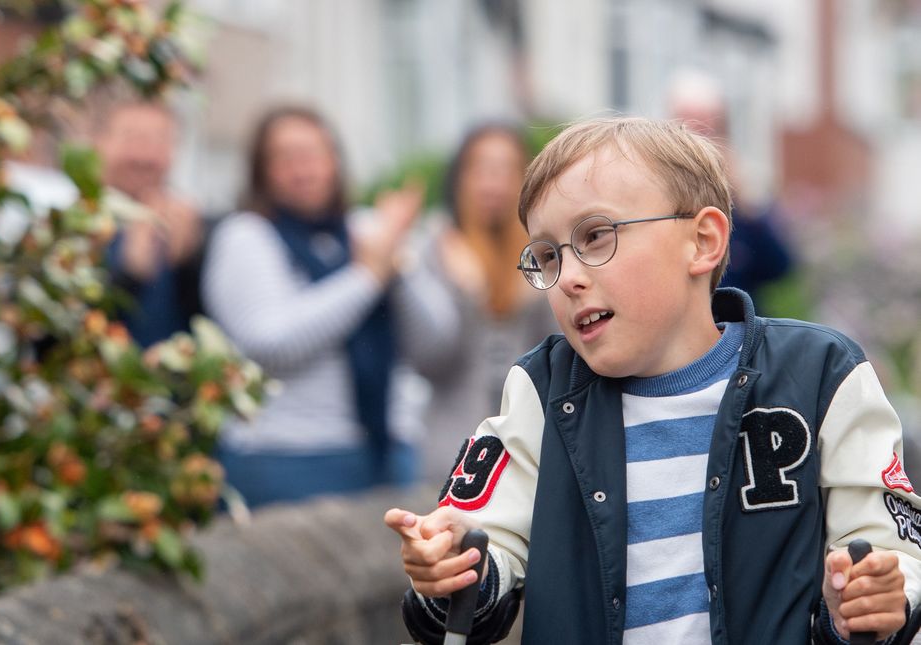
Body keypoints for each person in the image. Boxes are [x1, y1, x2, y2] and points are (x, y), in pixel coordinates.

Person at [385, 116, 921, 644]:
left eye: (596, 236)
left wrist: (870, 597)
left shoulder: (822, 374)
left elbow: (892, 551)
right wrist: (452, 565)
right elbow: (481, 544)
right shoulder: (539, 390)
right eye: (547, 255)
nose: (568, 277)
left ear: (703, 241)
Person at [201, 106, 459, 507]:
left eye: (314, 154)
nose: (302, 169)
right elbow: (270, 341)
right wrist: (366, 278)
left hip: (385, 453)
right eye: (285, 158)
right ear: (261, 171)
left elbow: (438, 341)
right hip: (285, 459)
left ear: (335, 161)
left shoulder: (366, 229)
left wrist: (395, 264)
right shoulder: (246, 236)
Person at [418, 124, 558, 480]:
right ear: (459, 177)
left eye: (506, 169)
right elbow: (430, 358)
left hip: (531, 447)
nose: (492, 183)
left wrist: (540, 286)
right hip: (453, 448)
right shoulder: (435, 248)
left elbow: (561, 349)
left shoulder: (542, 247)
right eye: (480, 168)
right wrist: (469, 295)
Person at [667, 69, 794, 314]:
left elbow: (779, 267)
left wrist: (746, 201)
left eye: (705, 129)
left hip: (738, 328)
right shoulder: (657, 189)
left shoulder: (740, 191)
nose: (697, 139)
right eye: (686, 126)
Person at [96, 96, 206, 347]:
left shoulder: (193, 227)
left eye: (158, 141)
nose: (143, 155)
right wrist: (129, 276)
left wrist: (189, 262)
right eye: (131, 138)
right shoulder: (69, 227)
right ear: (99, 142)